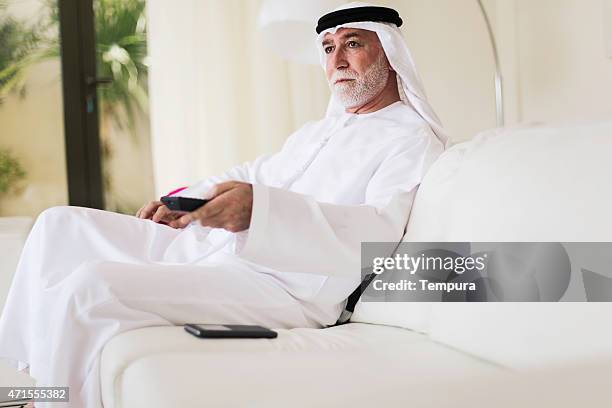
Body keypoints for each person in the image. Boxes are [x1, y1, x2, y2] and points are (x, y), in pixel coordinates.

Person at [0, 2, 448, 407]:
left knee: (93, 284)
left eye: (353, 44)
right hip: (218, 251)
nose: (337, 60)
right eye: (328, 48)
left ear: (390, 54)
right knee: (59, 225)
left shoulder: (409, 138)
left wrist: (261, 213)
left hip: (288, 288)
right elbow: (255, 172)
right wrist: (182, 200)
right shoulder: (319, 130)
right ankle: (25, 383)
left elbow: (377, 232)